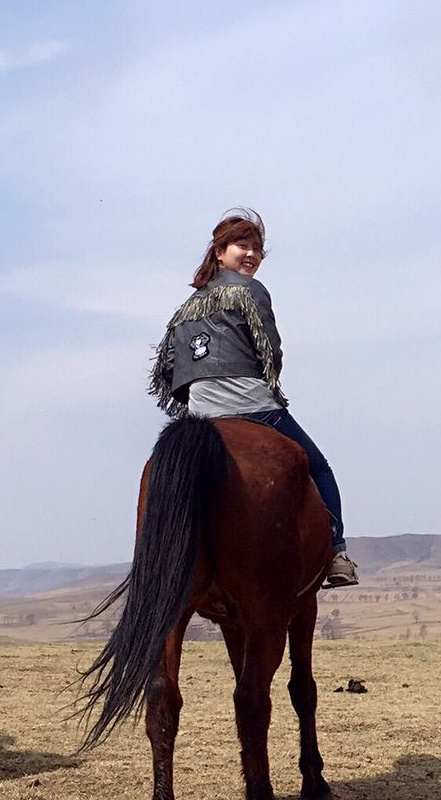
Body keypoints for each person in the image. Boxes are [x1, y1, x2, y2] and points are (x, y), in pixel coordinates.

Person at [150, 211, 358, 588]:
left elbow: (165, 368)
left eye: (257, 249)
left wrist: (197, 397)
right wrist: (266, 381)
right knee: (320, 468)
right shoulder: (249, 291)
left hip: (200, 415)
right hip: (253, 406)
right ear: (219, 251)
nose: (251, 255)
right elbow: (270, 350)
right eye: (242, 246)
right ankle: (337, 554)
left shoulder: (184, 309)